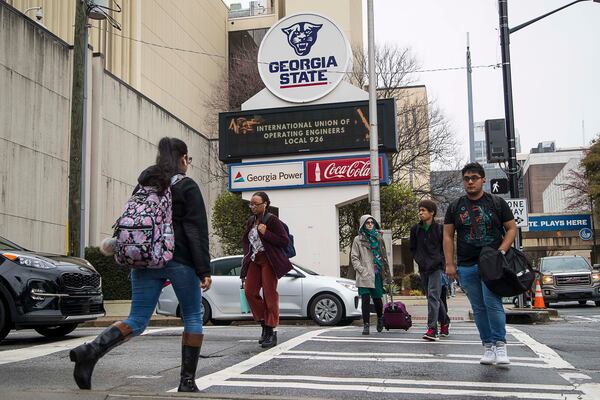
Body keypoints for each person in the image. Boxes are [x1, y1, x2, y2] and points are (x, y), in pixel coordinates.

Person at [69, 137, 212, 392]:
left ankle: (91, 351)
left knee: (136, 319)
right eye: (187, 159)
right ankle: (187, 382)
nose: (187, 164)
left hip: (144, 260)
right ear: (182, 158)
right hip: (179, 261)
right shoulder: (187, 186)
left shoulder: (145, 185)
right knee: (192, 316)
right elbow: (195, 229)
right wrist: (203, 269)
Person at [443, 162, 517, 367]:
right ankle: (488, 346)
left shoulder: (496, 202)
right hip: (467, 264)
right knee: (478, 308)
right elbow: (448, 236)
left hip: (492, 263)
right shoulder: (455, 206)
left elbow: (511, 228)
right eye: (466, 179)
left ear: (483, 179)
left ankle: (500, 345)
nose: (470, 182)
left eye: (474, 178)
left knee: (492, 303)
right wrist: (450, 264)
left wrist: (502, 251)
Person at [240, 191, 292, 348]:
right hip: (255, 260)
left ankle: (271, 330)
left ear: (265, 204)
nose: (253, 207)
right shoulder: (251, 221)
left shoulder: (272, 220)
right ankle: (264, 325)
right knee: (250, 292)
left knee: (270, 294)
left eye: (256, 204)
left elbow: (284, 241)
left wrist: (266, 233)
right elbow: (248, 246)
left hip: (269, 260)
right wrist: (244, 269)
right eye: (251, 204)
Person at [410, 200, 450, 341]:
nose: (420, 212)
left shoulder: (440, 229)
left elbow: (445, 248)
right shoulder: (415, 229)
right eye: (419, 210)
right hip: (423, 268)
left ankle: (432, 329)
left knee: (433, 296)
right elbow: (413, 248)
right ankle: (445, 321)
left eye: (424, 210)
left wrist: (444, 264)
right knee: (434, 297)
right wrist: (418, 259)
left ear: (432, 212)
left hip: (437, 268)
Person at [350, 215, 392, 335]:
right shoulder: (358, 239)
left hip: (376, 272)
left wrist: (387, 273)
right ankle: (366, 325)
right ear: (363, 224)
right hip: (364, 273)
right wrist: (362, 270)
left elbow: (384, 256)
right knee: (365, 299)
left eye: (372, 222)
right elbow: (354, 257)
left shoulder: (379, 238)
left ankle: (380, 318)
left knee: (378, 299)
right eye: (367, 222)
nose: (369, 224)